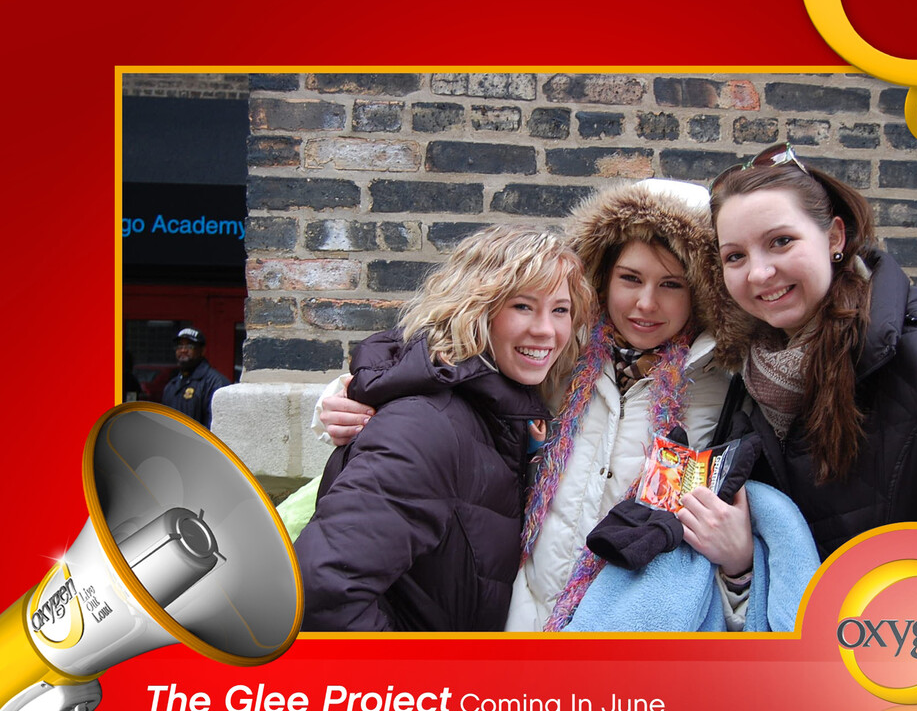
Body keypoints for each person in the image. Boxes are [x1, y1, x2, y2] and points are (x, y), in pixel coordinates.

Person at [314, 180, 756, 632]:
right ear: (603, 277)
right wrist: (348, 397)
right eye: (630, 278)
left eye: (671, 284)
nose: (646, 302)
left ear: (701, 292)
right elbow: (446, 357)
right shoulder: (561, 358)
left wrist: (740, 563)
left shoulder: (725, 390)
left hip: (625, 645)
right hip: (515, 628)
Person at [294, 226, 595, 632]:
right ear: (473, 308)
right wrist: (417, 693)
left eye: (560, 310)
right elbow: (322, 590)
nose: (546, 330)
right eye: (523, 306)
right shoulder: (426, 427)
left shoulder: (502, 415)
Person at [708, 143, 917, 560]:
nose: (758, 273)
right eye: (735, 256)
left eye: (780, 241)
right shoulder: (747, 374)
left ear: (834, 237)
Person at [160, 327, 230, 428]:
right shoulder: (171, 386)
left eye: (189, 346)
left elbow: (218, 428)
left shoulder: (215, 383)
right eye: (180, 346)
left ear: (202, 350)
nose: (183, 350)